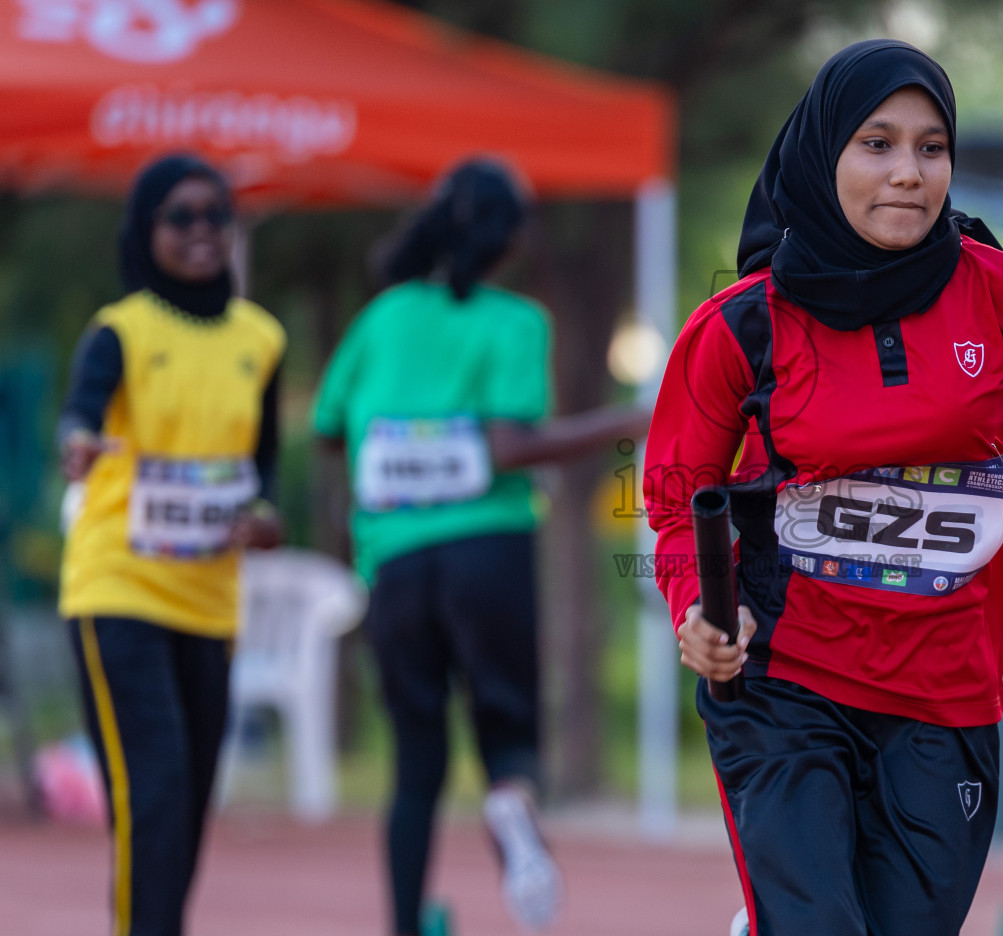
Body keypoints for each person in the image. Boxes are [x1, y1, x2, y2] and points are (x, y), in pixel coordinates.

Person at [643, 40, 1003, 935]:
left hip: (944, 690)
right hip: (785, 678)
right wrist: (700, 608)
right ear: (823, 153)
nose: (909, 174)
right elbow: (673, 491)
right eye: (876, 144)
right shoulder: (741, 325)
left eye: (931, 147)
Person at [312, 160, 649, 936]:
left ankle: (402, 923)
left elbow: (327, 426)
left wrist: (392, 441)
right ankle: (510, 803)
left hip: (395, 557)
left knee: (415, 763)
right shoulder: (516, 322)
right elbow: (509, 446)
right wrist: (632, 419)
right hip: (488, 550)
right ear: (506, 237)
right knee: (507, 732)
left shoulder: (384, 317)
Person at [57, 153, 286, 936]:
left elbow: (264, 468)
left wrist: (266, 518)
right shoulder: (120, 331)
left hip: (209, 600)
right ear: (145, 228)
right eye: (181, 217)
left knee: (187, 803)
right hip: (118, 585)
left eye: (217, 216)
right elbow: (79, 414)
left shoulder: (261, 339)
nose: (202, 232)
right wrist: (79, 444)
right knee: (151, 789)